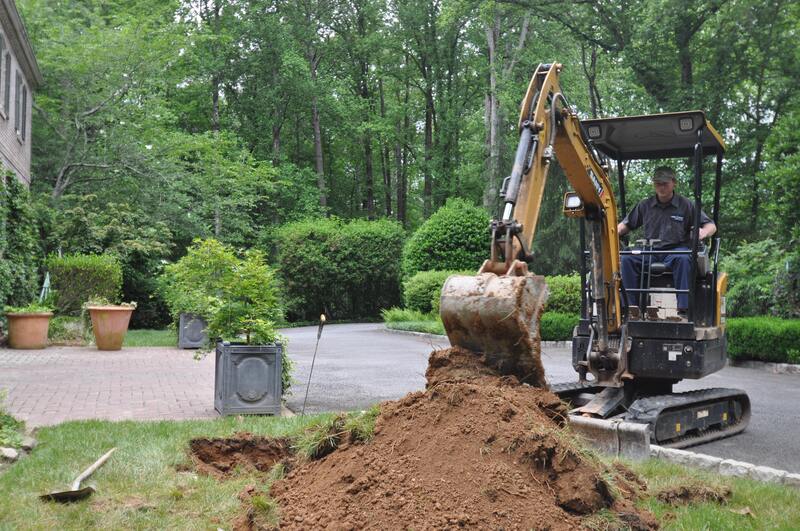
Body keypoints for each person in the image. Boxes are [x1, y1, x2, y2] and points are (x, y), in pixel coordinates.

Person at [617, 166, 716, 316]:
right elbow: (626, 225)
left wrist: (703, 232)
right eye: (658, 183)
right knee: (627, 257)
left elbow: (711, 226)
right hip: (650, 251)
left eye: (665, 183)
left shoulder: (686, 205)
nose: (661, 187)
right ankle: (631, 307)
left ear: (674, 183)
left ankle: (683, 310)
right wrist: (613, 232)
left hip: (676, 250)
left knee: (684, 258)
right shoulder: (645, 205)